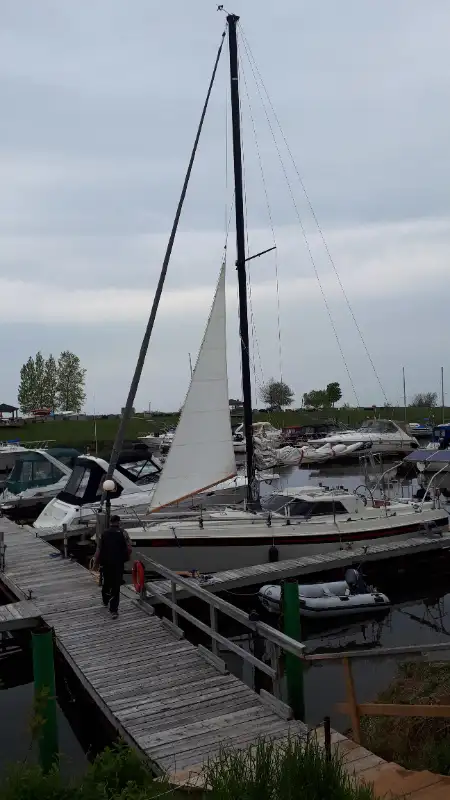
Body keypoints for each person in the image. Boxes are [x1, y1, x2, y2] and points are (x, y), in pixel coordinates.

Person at [94, 515, 131, 619]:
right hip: (118, 563)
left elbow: (99, 549)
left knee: (106, 582)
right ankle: (114, 610)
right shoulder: (123, 533)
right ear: (118, 522)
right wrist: (126, 558)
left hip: (106, 563)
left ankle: (105, 600)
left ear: (110, 522)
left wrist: (96, 562)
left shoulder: (104, 533)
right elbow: (129, 547)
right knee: (116, 586)